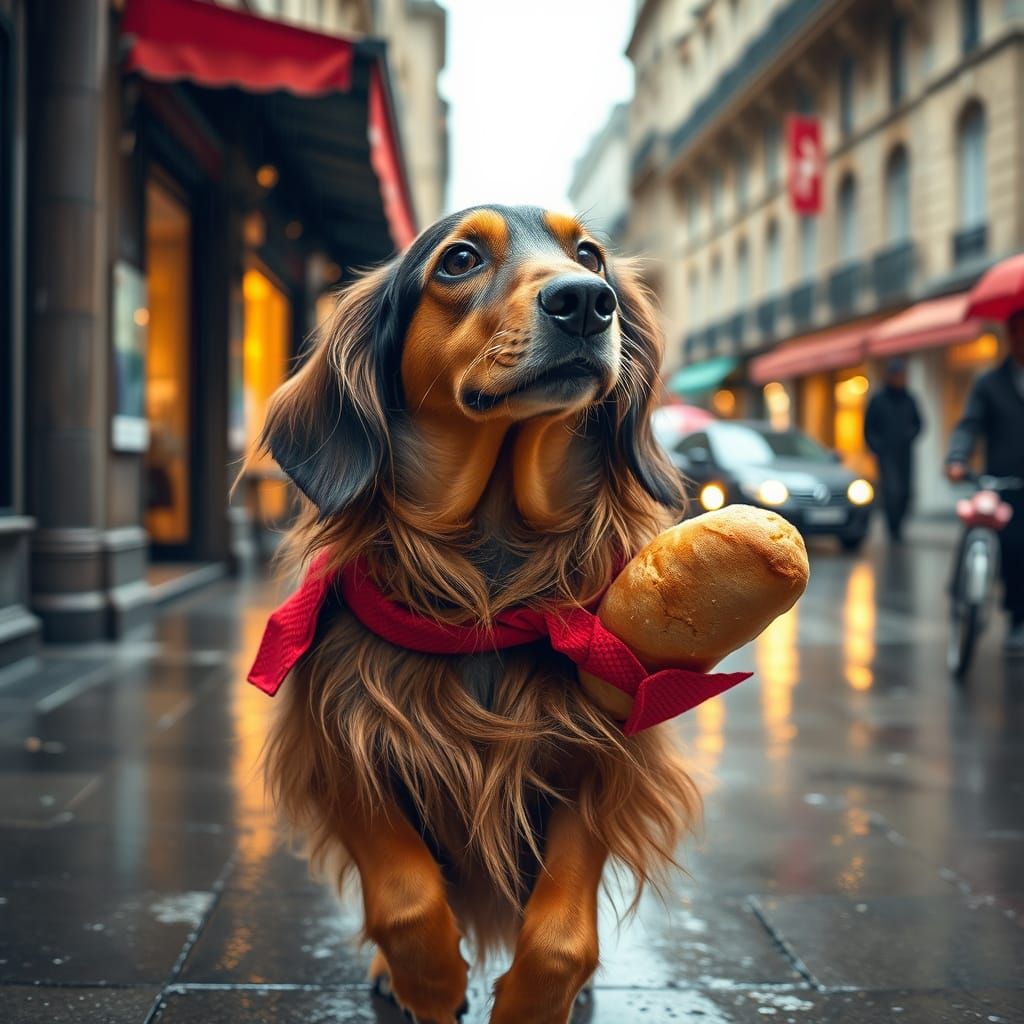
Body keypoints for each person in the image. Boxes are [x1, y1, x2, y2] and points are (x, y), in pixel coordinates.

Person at [946, 311, 1024, 656]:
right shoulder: (989, 383)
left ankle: (1017, 616)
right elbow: (969, 425)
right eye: (1018, 332)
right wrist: (957, 458)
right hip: (999, 484)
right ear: (1009, 336)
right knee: (1006, 542)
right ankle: (967, 593)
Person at [864, 358, 923, 542]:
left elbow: (919, 423)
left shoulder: (909, 399)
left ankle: (899, 526)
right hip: (886, 453)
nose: (900, 379)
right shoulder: (878, 400)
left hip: (905, 452)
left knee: (906, 491)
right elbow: (868, 427)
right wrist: (877, 446)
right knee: (891, 490)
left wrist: (909, 436)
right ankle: (892, 529)